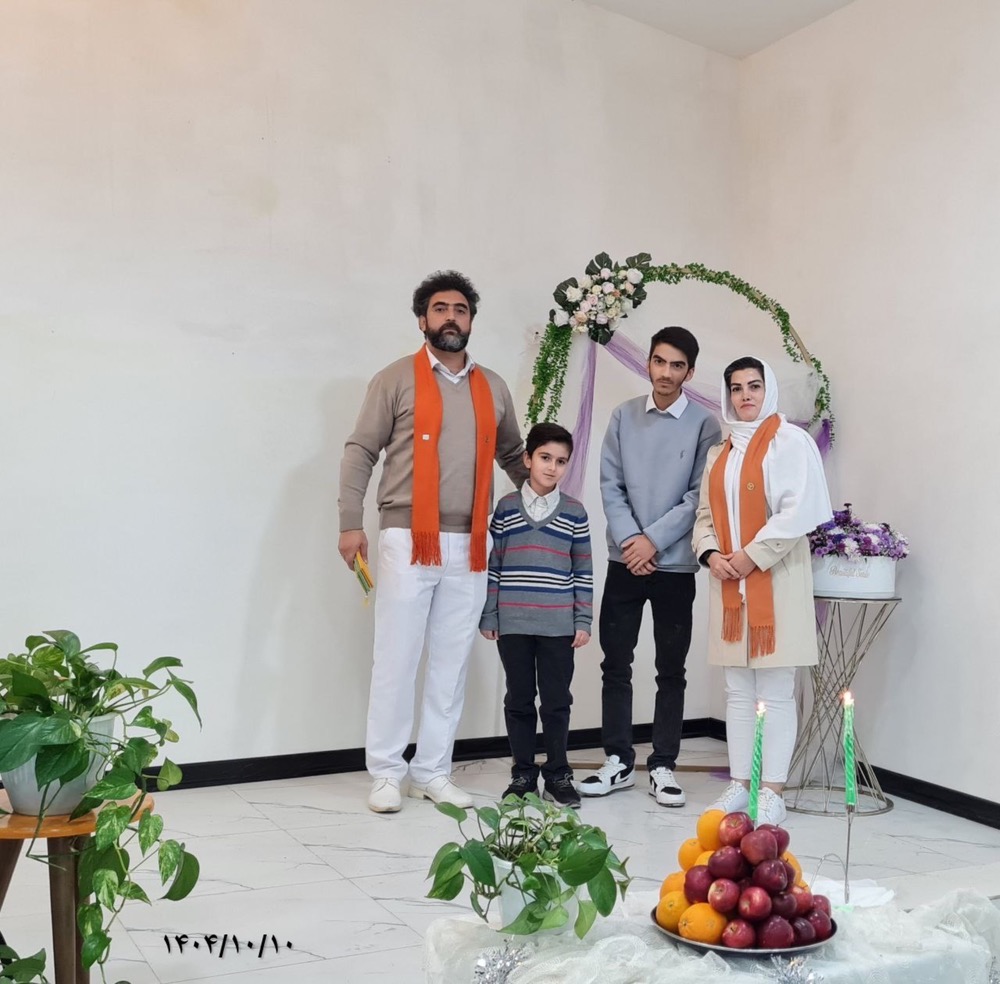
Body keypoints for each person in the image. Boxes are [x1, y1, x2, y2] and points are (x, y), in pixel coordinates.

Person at [338, 270, 528, 814]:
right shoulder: (394, 378)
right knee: (396, 659)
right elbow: (361, 450)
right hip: (406, 538)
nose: (451, 317)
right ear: (422, 319)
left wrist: (547, 502)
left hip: (471, 542)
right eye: (440, 308)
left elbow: (514, 455)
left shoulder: (493, 386)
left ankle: (432, 771)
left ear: (471, 321)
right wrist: (350, 521)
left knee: (451, 662)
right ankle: (386, 772)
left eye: (461, 309)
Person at [580, 326, 721, 807]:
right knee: (615, 663)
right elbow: (610, 484)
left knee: (671, 669)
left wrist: (652, 541)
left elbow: (698, 496)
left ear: (690, 373)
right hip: (625, 561)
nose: (666, 372)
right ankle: (618, 761)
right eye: (659, 361)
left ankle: (663, 765)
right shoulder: (623, 416)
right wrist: (631, 541)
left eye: (677, 365)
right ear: (648, 364)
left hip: (675, 565)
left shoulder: (704, 425)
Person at [692, 356, 832, 825]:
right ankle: (739, 784)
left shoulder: (790, 442)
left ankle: (772, 791)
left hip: (777, 577)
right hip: (729, 582)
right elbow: (705, 516)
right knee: (736, 688)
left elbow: (796, 513)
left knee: (775, 688)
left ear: (767, 389)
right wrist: (711, 554)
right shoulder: (721, 453)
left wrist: (752, 555)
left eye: (753, 386)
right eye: (736, 388)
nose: (745, 395)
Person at [479, 422, 593, 808]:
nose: (552, 467)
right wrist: (490, 614)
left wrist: (582, 620)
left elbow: (583, 570)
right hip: (513, 624)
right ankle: (523, 773)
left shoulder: (575, 512)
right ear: (527, 459)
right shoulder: (506, 508)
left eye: (561, 461)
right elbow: (494, 564)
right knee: (519, 699)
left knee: (557, 701)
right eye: (545, 458)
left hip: (558, 626)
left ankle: (558, 773)